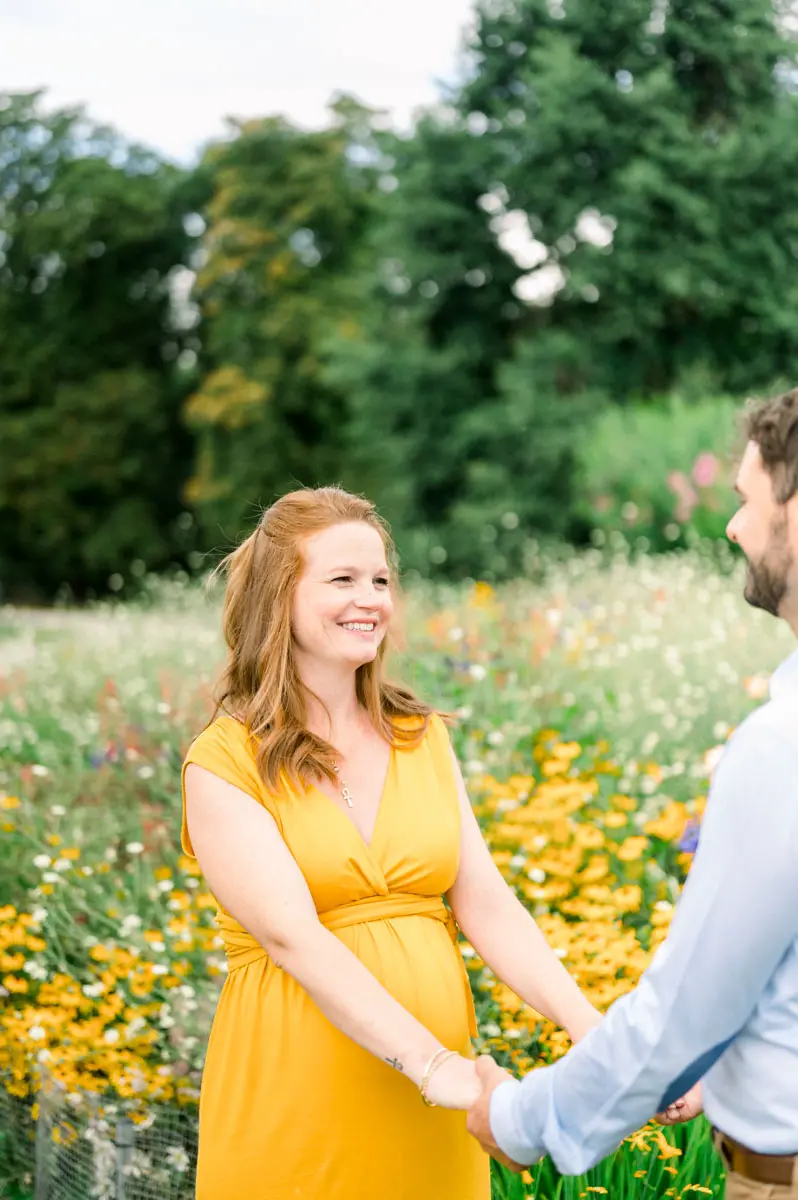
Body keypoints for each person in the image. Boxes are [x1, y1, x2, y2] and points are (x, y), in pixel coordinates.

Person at [181, 486, 603, 1200]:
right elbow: (293, 940)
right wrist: (432, 1065)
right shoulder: (223, 762)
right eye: (341, 579)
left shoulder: (421, 737)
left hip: (437, 1107)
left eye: (380, 580)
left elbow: (487, 903)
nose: (370, 598)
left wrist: (586, 1024)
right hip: (306, 1089)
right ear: (278, 597)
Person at [468, 387, 798, 1200]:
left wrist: (516, 1117)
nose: (733, 528)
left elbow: (683, 1016)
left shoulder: (780, 749)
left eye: (748, 502)